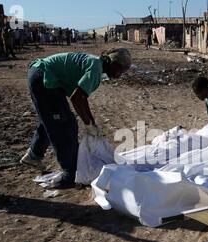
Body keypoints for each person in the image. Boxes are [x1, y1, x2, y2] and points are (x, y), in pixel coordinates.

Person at [20, 49, 132, 189]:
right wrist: (88, 124)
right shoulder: (96, 69)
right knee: (65, 125)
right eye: (120, 70)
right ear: (113, 63)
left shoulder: (96, 64)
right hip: (43, 77)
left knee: (52, 119)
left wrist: (92, 122)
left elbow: (82, 98)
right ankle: (69, 173)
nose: (120, 75)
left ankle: (34, 155)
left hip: (43, 75)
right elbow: (77, 98)